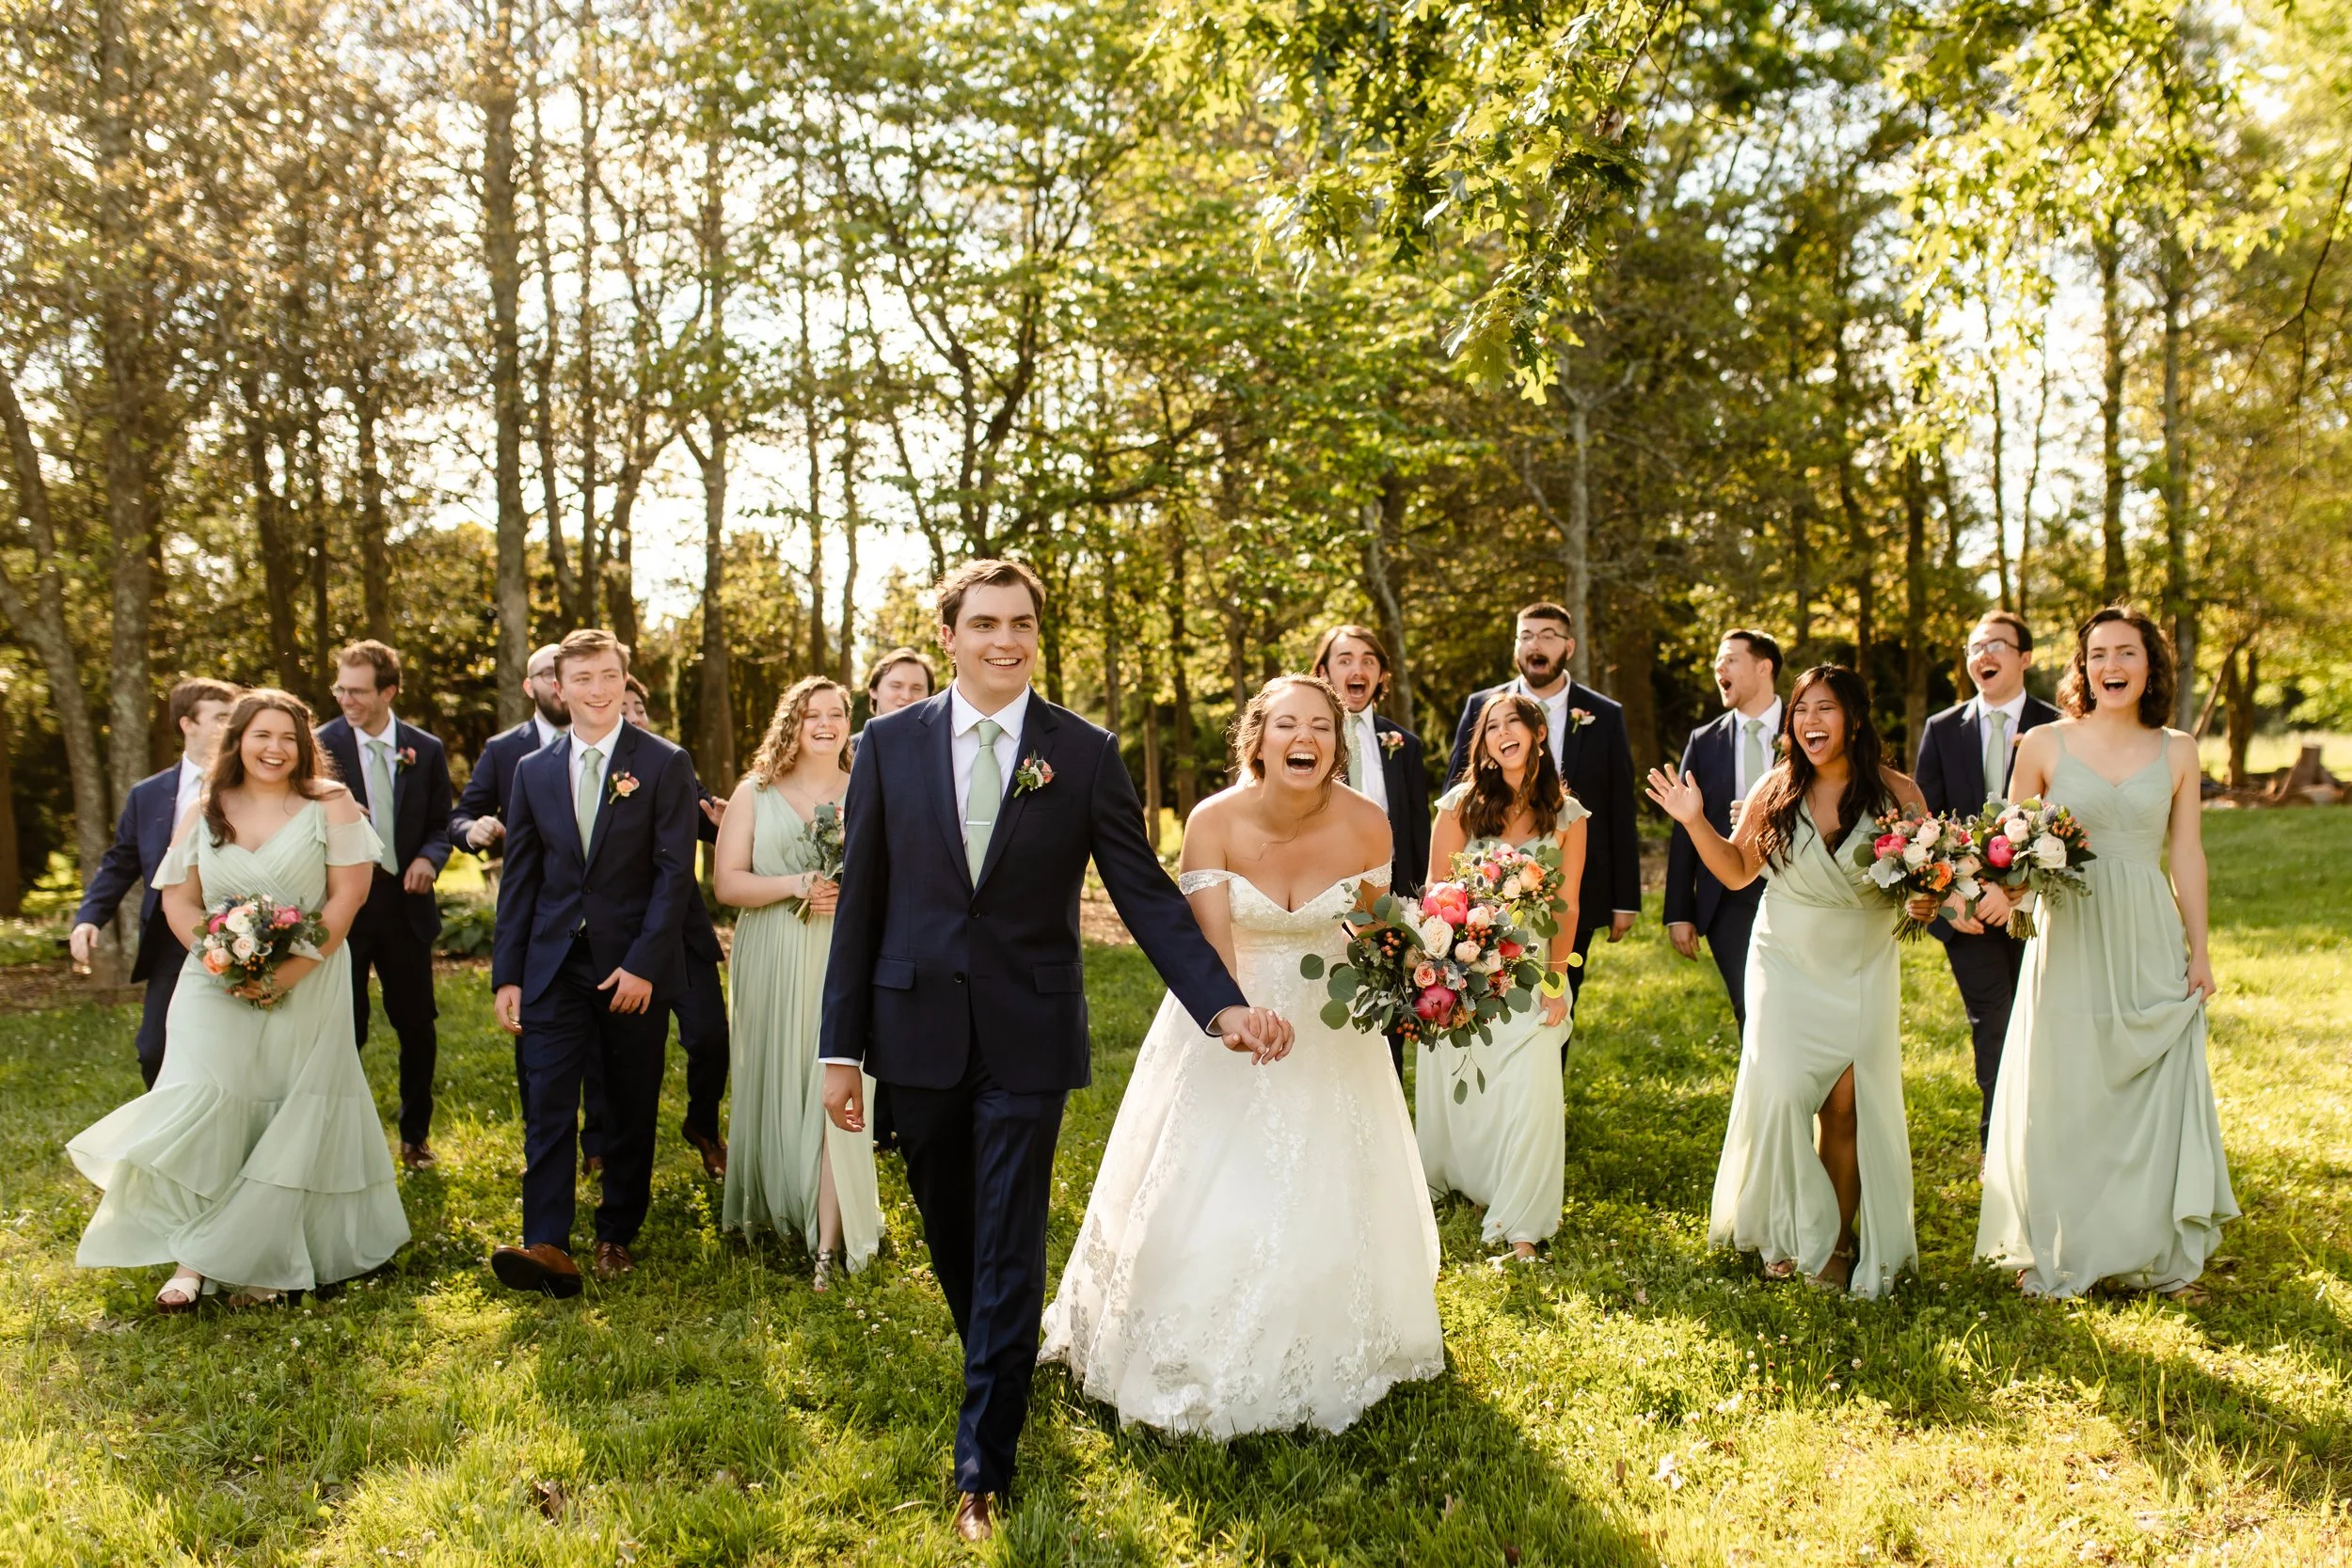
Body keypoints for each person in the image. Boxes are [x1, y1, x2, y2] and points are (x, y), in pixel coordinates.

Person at [818, 559, 1290, 1544]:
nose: (1005, 640)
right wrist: (839, 1049)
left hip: (1029, 1029)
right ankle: (995, 1349)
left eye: (1021, 623)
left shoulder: (1082, 751)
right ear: (948, 635)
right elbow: (861, 900)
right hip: (913, 1025)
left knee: (1008, 1230)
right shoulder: (889, 745)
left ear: (1038, 633)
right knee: (954, 1227)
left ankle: (982, 1461)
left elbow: (1144, 892)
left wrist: (1222, 1004)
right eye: (985, 623)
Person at [1041, 674, 1443, 1436]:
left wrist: (1436, 971)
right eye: (1287, 723)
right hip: (1229, 1008)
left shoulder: (1368, 823)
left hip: (1332, 1024)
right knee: (1212, 1181)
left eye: (1320, 724)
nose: (1305, 736)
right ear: (1257, 738)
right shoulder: (1213, 820)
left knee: (1334, 1182)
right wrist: (1241, 1018)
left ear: (1338, 744)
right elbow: (1209, 950)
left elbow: (1372, 936)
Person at [68, 689, 410, 1310]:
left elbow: (347, 897)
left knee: (285, 1111)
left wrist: (289, 973)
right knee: (210, 1099)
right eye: (262, 735)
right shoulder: (207, 806)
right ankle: (193, 1260)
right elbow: (178, 899)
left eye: (288, 738)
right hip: (213, 980)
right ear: (238, 741)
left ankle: (261, 1258)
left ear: (305, 746)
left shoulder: (330, 803)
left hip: (311, 974)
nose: (275, 749)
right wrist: (219, 960)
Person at [1645, 665, 1933, 1297]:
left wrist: (1924, 902)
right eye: (1801, 710)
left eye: (1824, 708)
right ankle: (1787, 1225)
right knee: (1778, 1093)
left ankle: (1835, 1243)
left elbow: (1927, 885)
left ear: (1854, 718)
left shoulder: (1898, 793)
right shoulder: (1775, 787)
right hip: (1784, 960)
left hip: (1861, 964)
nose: (1809, 721)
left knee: (1845, 1108)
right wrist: (1694, 821)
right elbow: (1736, 871)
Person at [1975, 607, 2237, 1300]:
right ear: (2082, 667)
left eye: (2126, 652)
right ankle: (2059, 1244)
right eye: (2098, 654)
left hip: (2148, 930)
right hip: (2071, 931)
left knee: (2150, 1084)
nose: (2111, 665)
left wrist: (2200, 951)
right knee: (2067, 1085)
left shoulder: (2178, 749)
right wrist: (2006, 893)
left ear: (2151, 665)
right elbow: (2006, 847)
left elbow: (2187, 853)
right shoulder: (2044, 743)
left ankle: (2147, 1246)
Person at [488, 629, 703, 1295]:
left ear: (623, 679)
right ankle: (546, 1242)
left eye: (609, 676)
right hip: (553, 964)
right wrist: (508, 973)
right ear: (559, 687)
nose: (598, 689)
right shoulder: (534, 770)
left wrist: (644, 964)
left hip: (632, 966)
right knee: (548, 1101)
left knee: (631, 1100)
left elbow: (675, 873)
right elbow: (521, 878)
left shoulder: (664, 762)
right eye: (582, 678)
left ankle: (616, 1233)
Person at [716, 677, 877, 1287]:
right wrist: (796, 884)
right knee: (778, 1074)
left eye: (837, 713)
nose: (827, 724)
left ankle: (829, 1241)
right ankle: (782, 1206)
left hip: (846, 955)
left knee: (838, 1080)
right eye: (813, 715)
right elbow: (727, 883)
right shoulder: (754, 793)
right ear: (792, 723)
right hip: (773, 952)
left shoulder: (869, 789)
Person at [1418, 692, 1586, 1260]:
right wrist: (1451, 962)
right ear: (1484, 742)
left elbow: (1567, 903)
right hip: (1467, 966)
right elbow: (1436, 892)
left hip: (1533, 970)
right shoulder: (1459, 806)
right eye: (1492, 726)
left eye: (1515, 721)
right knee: (1475, 1088)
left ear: (1538, 733)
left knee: (1534, 1087)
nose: (1503, 732)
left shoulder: (1568, 814)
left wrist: (1556, 981)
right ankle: (1475, 1180)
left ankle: (1522, 1226)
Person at [1913, 610, 2061, 1148]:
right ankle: (1997, 1148)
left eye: (1997, 644)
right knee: (1992, 1021)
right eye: (1975, 647)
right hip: (1968, 913)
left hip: (2040, 908)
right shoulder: (1942, 728)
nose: (1984, 655)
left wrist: (2019, 890)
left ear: (2025, 657)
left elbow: (2070, 818)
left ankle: (2051, 1141)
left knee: (2046, 1023)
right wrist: (1953, 899)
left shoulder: (2058, 725)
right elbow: (1924, 821)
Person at [1448, 603, 1639, 1000]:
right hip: (1484, 893)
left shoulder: (1605, 714)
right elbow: (1459, 789)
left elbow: (1621, 808)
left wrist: (1626, 899)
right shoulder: (1481, 706)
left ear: (1568, 646)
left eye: (1548, 636)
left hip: (1577, 882)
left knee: (1561, 991)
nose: (1536, 645)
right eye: (1527, 636)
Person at [316, 641, 453, 1169]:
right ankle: (341, 1137)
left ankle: (415, 1136)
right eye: (340, 689)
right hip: (341, 908)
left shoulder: (426, 748)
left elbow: (441, 823)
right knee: (344, 1027)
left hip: (405, 906)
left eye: (357, 691)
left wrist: (428, 858)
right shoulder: (319, 746)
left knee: (416, 1024)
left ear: (389, 691)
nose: (345, 700)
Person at [70, 677, 239, 1087]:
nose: (231, 726)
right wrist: (89, 918)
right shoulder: (147, 794)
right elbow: (121, 862)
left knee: (234, 1048)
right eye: (220, 717)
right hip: (172, 937)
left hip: (243, 930)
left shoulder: (251, 787)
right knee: (154, 1050)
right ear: (187, 724)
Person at [621, 673, 732, 1179]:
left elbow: (707, 819)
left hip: (683, 935)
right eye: (624, 709)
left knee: (710, 1037)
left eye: (638, 708)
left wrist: (728, 821)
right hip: (622, 941)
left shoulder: (671, 761)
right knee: (620, 1055)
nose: (634, 717)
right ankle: (602, 1140)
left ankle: (703, 1126)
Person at [1663, 631, 1785, 1029]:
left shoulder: (1804, 727)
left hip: (1797, 884)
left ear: (1763, 667)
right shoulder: (1703, 741)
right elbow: (1685, 827)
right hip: (1726, 898)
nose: (1719, 667)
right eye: (1718, 661)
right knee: (1751, 1005)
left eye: (1730, 659)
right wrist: (1679, 912)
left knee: (1796, 1002)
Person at [452, 641, 567, 859]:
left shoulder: (603, 742)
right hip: (531, 877)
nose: (558, 682)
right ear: (529, 687)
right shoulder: (502, 750)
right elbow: (461, 817)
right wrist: (473, 830)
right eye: (548, 673)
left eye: (565, 673)